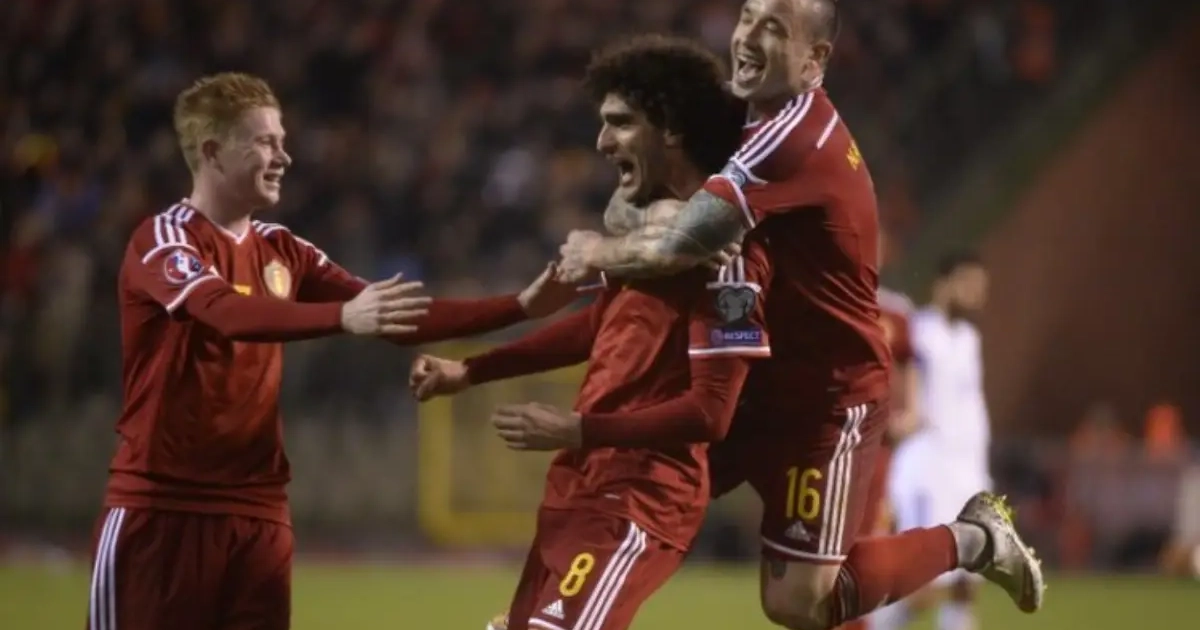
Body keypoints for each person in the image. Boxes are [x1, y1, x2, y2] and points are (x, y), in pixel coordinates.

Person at [554, 2, 1045, 629]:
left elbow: (674, 243)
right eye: (747, 17)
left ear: (815, 62)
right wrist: (660, 216)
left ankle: (972, 539)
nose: (747, 38)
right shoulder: (736, 116)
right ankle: (547, 617)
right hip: (759, 380)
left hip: (826, 400)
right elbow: (636, 199)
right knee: (637, 475)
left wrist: (602, 251)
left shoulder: (794, 138)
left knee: (797, 601)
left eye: (774, 29)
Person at [86, 72, 579, 630]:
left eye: (282, 141)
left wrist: (520, 305)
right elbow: (225, 312)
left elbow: (395, 315)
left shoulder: (283, 248)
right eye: (265, 142)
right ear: (212, 151)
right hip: (162, 506)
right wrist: (342, 316)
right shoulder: (164, 239)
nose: (284, 157)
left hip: (258, 511)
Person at [409, 35, 757, 630]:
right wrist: (471, 370)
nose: (601, 142)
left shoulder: (727, 259)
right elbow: (601, 327)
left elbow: (711, 413)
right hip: (581, 483)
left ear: (671, 129)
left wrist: (579, 428)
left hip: (642, 495)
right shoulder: (643, 240)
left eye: (620, 123)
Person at [878, 252, 994, 630]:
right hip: (928, 469)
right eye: (967, 283)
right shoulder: (917, 331)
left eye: (980, 287)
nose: (975, 293)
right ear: (942, 284)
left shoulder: (970, 339)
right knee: (923, 585)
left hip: (969, 472)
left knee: (966, 584)